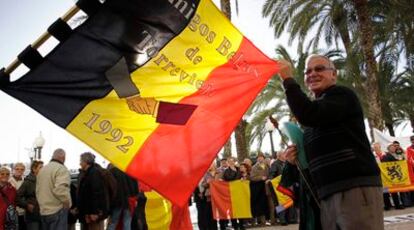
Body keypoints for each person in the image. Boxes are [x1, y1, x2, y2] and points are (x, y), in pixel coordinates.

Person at [278, 55, 383, 229]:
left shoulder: (342, 95)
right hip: (326, 193)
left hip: (353, 188)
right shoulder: (315, 117)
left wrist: (287, 79)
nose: (312, 74)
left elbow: (309, 113)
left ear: (334, 74)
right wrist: (294, 158)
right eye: (308, 71)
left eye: (319, 69)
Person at [36, 148, 71, 230]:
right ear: (63, 157)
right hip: (57, 210)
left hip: (44, 210)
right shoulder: (61, 169)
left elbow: (38, 190)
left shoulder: (43, 169)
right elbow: (60, 189)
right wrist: (67, 203)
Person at [77, 152, 108, 230]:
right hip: (89, 213)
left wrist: (94, 212)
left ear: (86, 162)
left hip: (93, 214)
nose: (80, 163)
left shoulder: (94, 173)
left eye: (81, 161)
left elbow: (96, 194)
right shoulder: (89, 173)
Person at [106, 164, 138, 230]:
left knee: (113, 222)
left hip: (117, 201)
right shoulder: (130, 172)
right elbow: (136, 188)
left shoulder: (112, 172)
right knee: (127, 222)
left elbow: (110, 188)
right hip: (129, 201)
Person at [16, 160, 44, 230]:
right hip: (32, 216)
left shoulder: (43, 180)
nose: (43, 169)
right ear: (34, 169)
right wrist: (26, 205)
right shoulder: (28, 182)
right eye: (41, 167)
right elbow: (16, 197)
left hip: (43, 215)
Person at [9, 163, 25, 230]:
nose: (19, 171)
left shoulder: (25, 180)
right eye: (17, 169)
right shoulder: (9, 181)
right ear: (13, 170)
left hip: (24, 210)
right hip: (13, 210)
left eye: (22, 169)